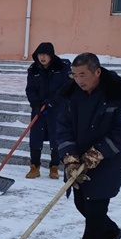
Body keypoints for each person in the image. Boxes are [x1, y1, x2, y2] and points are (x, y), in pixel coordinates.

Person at [56, 52, 121, 239]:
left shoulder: (117, 94)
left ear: (97, 72)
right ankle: (111, 232)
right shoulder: (70, 94)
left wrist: (99, 152)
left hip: (106, 162)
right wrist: (70, 157)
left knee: (95, 207)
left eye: (83, 74)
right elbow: (62, 127)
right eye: (74, 75)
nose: (79, 80)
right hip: (78, 161)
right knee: (81, 203)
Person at [24, 42, 72, 179]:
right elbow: (30, 89)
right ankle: (34, 167)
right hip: (39, 108)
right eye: (40, 54)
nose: (42, 57)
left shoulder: (62, 68)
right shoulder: (34, 69)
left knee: (55, 137)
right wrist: (35, 104)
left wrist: (53, 100)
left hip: (57, 109)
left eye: (45, 55)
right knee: (35, 137)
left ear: (51, 55)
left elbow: (67, 87)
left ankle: (54, 167)